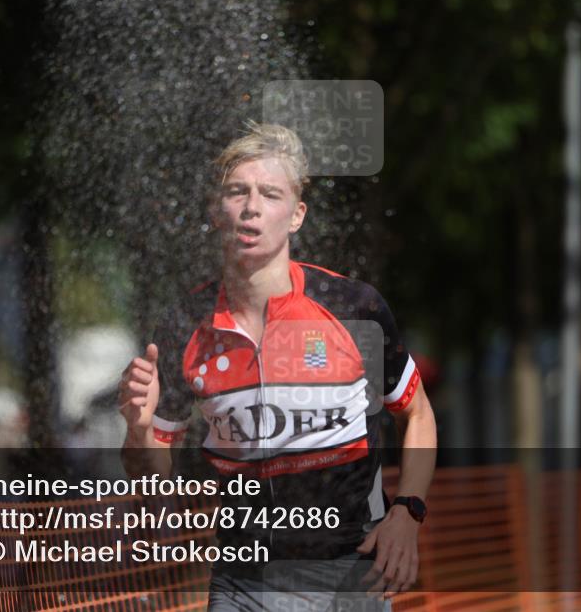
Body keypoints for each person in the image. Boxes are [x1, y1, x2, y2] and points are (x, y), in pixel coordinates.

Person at [118, 122, 437, 611]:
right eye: (237, 192)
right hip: (244, 577)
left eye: (270, 194)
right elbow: (149, 482)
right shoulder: (184, 325)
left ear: (296, 216)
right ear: (216, 210)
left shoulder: (353, 308)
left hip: (352, 568)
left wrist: (407, 513)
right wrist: (138, 432)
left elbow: (416, 414)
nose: (251, 208)